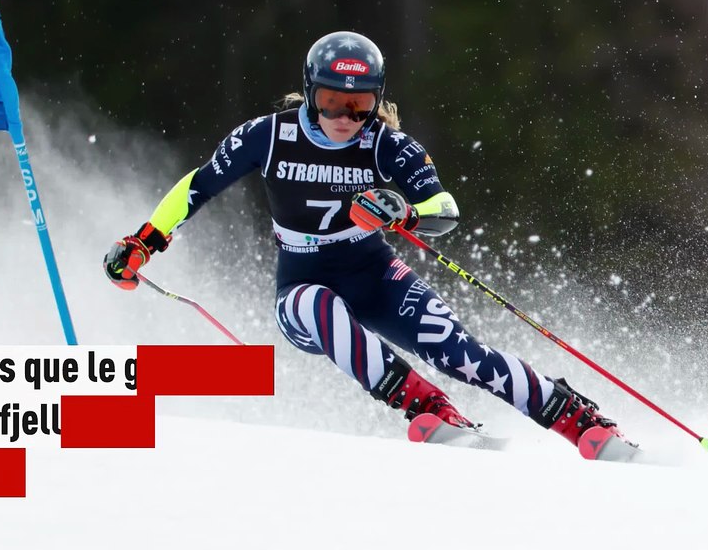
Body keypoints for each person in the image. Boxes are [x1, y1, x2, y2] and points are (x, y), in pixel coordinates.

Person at [103, 30, 627, 450]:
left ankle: (577, 418)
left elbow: (444, 207)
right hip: (301, 290)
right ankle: (426, 407)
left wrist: (405, 211)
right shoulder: (268, 136)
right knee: (318, 304)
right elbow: (198, 186)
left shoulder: (384, 143)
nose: (345, 119)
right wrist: (145, 242)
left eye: (360, 106)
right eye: (332, 102)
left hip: (376, 278)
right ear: (310, 93)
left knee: (458, 352)